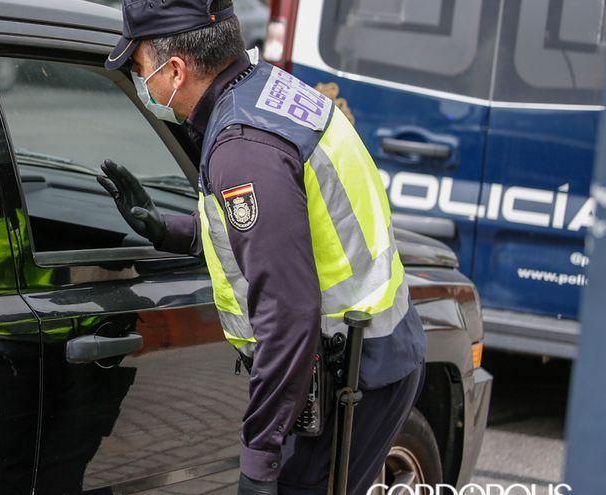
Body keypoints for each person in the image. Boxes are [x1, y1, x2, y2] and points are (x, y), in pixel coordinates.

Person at [96, 0, 428, 494]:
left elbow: (287, 313)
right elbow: (282, 230)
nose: (140, 81)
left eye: (140, 68)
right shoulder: (266, 91)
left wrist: (259, 457)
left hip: (345, 378)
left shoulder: (244, 146)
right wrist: (168, 230)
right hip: (374, 353)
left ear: (176, 70)